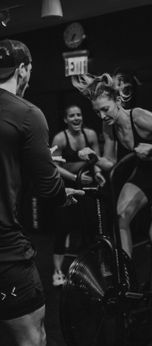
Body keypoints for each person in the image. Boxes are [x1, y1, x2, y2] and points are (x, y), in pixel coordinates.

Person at [72, 72, 152, 321]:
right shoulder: (108, 126)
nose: (103, 116)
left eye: (105, 109)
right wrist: (94, 159)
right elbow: (112, 164)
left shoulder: (138, 116)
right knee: (120, 216)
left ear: (117, 101)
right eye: (97, 112)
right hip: (146, 175)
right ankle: (127, 280)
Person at [0, 39, 83, 346]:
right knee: (33, 338)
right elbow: (48, 187)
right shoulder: (27, 114)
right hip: (4, 249)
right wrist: (65, 194)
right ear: (22, 70)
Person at [51, 104, 105, 286]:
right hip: (67, 186)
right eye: (72, 116)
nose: (76, 118)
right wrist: (76, 178)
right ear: (66, 119)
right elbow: (55, 166)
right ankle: (58, 272)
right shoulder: (60, 138)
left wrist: (97, 173)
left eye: (79, 115)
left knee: (90, 228)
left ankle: (90, 270)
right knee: (62, 228)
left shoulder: (90, 135)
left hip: (87, 187)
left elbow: (95, 160)